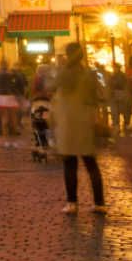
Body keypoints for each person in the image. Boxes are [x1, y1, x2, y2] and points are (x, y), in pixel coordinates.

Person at [53, 42, 106, 214]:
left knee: (69, 164)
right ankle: (99, 203)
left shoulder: (63, 73)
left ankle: (72, 203)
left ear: (68, 55)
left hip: (68, 122)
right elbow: (100, 94)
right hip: (85, 121)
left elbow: (51, 89)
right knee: (91, 164)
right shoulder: (89, 74)